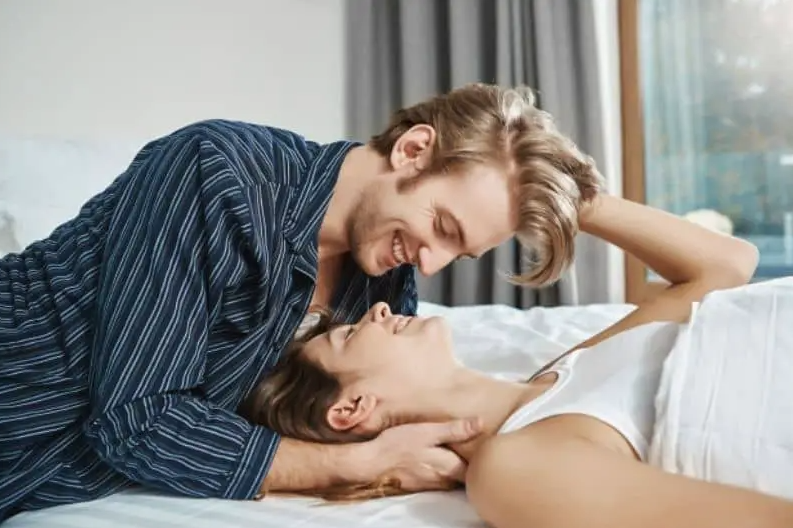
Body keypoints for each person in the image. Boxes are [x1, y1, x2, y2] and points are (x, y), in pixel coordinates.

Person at [0, 82, 613, 520]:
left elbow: (387, 420)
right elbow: (137, 422)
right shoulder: (218, 175)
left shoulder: (380, 276)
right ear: (412, 150)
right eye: (443, 227)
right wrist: (348, 466)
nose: (431, 265)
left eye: (460, 252)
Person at [240, 197, 791, 528]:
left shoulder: (564, 369)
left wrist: (564, 195)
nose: (379, 308)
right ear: (353, 408)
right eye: (349, 335)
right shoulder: (513, 464)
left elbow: (725, 264)